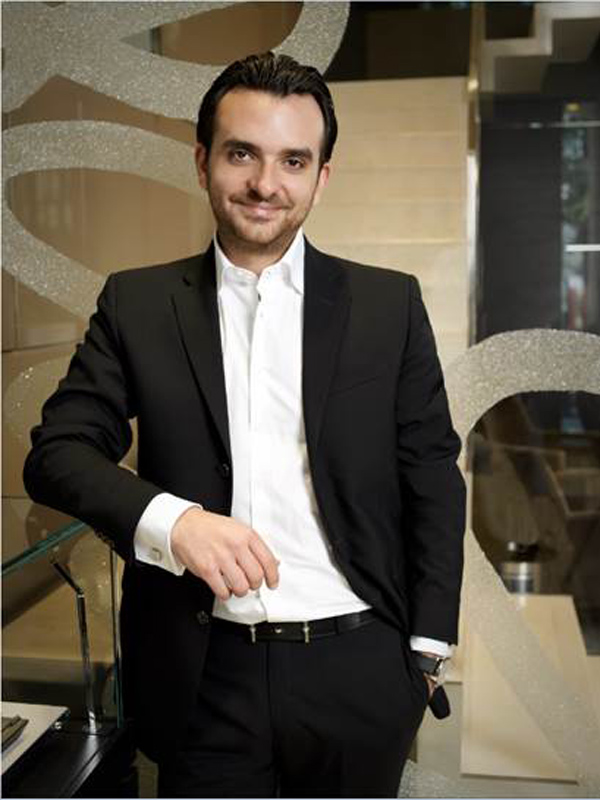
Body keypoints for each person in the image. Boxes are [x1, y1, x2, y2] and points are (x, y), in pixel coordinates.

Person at [24, 51, 466, 798]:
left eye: (294, 160)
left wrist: (425, 651)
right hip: (203, 677)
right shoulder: (137, 303)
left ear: (322, 176)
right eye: (242, 154)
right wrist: (175, 522)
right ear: (203, 161)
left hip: (360, 665)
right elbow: (57, 453)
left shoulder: (389, 305)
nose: (266, 183)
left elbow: (431, 475)